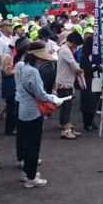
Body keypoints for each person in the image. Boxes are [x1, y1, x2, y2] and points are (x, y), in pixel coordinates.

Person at [17, 42, 62, 187]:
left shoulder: (23, 68)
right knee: (33, 145)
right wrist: (54, 98)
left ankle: (27, 172)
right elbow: (40, 94)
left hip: (23, 109)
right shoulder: (33, 71)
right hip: (33, 111)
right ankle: (31, 177)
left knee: (26, 142)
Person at [55, 31, 84, 140]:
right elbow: (75, 66)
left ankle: (67, 127)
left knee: (67, 106)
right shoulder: (65, 51)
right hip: (64, 82)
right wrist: (80, 69)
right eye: (76, 44)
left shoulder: (64, 49)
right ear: (73, 41)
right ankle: (65, 130)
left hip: (66, 81)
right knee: (65, 107)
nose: (76, 47)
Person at [79, 36, 100, 132]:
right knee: (87, 104)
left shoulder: (95, 56)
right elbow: (85, 71)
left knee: (94, 103)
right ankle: (86, 124)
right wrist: (96, 68)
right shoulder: (84, 57)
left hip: (95, 80)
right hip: (87, 83)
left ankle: (92, 121)